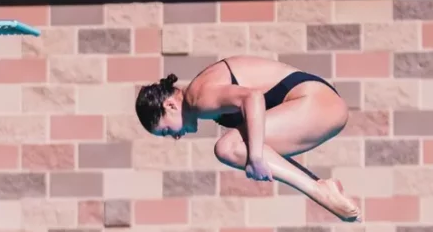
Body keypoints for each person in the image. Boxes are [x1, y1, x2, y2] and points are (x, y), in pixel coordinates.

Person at [134, 56, 361, 222]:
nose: (175, 136)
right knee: (245, 142)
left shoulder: (198, 98)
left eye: (166, 131)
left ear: (170, 105)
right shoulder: (202, 93)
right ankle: (321, 186)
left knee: (228, 146)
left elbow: (252, 97)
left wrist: (254, 157)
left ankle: (319, 190)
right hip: (322, 105)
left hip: (317, 103)